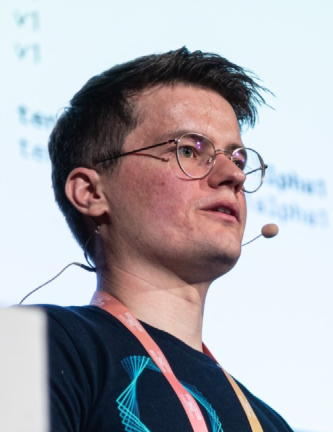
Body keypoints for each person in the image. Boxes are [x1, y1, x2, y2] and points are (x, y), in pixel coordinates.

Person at [43, 47, 293, 431]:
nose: (234, 175)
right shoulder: (43, 345)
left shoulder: (271, 424)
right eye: (189, 150)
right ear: (91, 192)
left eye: (237, 159)